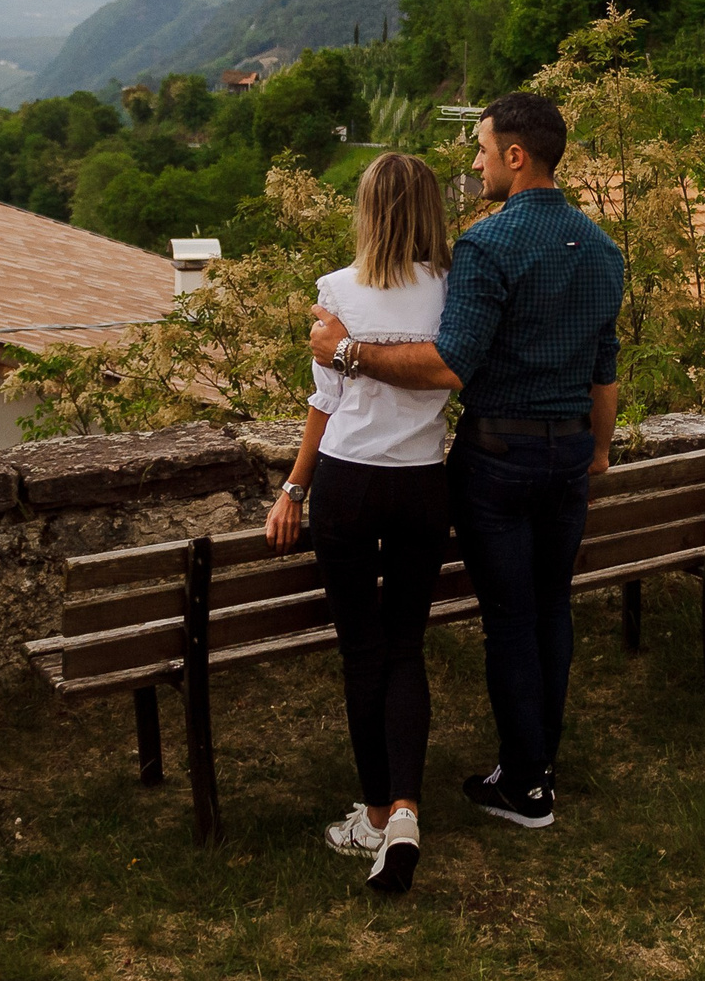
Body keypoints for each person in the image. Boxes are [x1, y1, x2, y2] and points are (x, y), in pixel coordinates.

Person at [309, 91, 623, 830]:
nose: (476, 162)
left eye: (481, 149)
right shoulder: (603, 250)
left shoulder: (490, 245)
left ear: (517, 156)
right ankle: (537, 763)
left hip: (501, 457)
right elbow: (604, 370)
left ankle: (526, 784)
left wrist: (347, 350)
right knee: (552, 607)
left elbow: (451, 362)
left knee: (512, 617)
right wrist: (600, 448)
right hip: (570, 450)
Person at [267, 151, 456, 892]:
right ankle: (405, 812)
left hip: (348, 484)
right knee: (405, 646)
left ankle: (374, 814)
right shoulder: (453, 293)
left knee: (362, 651)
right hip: (420, 484)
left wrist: (294, 489)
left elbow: (326, 403)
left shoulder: (337, 292)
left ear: (369, 211)